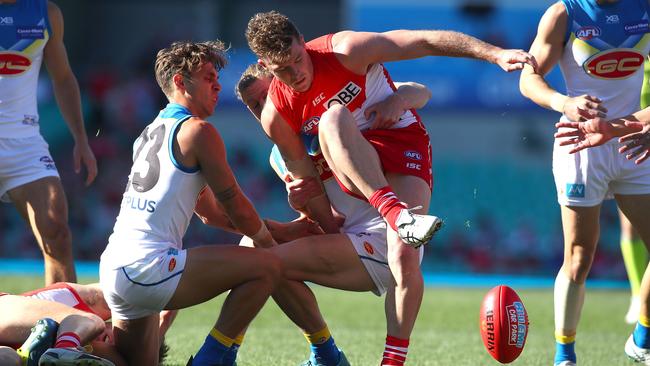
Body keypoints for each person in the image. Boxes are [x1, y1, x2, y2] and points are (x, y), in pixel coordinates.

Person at [244, 11, 537, 366]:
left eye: (297, 60)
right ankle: (309, 348)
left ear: (303, 41)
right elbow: (311, 190)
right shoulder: (277, 118)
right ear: (264, 66)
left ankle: (392, 360)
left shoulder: (346, 50)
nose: (297, 74)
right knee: (255, 251)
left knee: (404, 253)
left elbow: (422, 41)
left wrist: (494, 54)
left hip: (400, 142)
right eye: (283, 70)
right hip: (358, 185)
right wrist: (317, 220)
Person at [223, 63, 433, 366]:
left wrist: (397, 100)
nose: (263, 108)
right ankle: (323, 352)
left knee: (259, 262)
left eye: (267, 95)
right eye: (254, 106)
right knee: (252, 248)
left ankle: (220, 353)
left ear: (282, 86)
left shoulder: (330, 104)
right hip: (347, 241)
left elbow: (419, 91)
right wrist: (302, 210)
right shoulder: (278, 156)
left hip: (387, 237)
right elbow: (329, 222)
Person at [98, 40, 286, 366]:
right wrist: (269, 243)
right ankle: (211, 361)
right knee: (269, 266)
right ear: (180, 83)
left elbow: (211, 214)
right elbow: (234, 204)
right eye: (209, 76)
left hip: (115, 267)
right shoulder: (198, 131)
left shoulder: (150, 130)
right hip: (149, 268)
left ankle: (60, 349)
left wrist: (275, 229)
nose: (217, 84)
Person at [518, 1, 650, 365]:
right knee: (578, 257)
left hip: (632, 141)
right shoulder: (564, 13)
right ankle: (565, 356)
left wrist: (641, 124)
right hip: (580, 145)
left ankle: (642, 338)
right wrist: (564, 102)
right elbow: (528, 79)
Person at [0, 0, 97, 284]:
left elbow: (63, 78)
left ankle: (64, 323)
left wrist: (81, 138)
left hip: (25, 144)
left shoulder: (47, 13)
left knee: (57, 233)